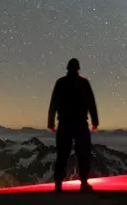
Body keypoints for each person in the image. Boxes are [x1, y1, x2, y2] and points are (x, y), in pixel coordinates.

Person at [47, 57, 99, 192]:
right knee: (83, 154)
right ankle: (83, 183)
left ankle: (58, 185)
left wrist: (51, 122)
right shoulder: (84, 83)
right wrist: (95, 121)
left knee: (62, 154)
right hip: (81, 123)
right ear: (78, 68)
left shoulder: (60, 82)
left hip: (64, 123)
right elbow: (91, 103)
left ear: (67, 68)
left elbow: (54, 103)